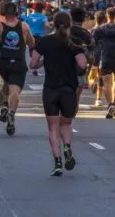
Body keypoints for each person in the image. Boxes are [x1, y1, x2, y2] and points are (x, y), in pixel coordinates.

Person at [31, 11, 89, 176]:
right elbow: (83, 64)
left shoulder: (45, 41)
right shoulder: (73, 43)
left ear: (53, 24)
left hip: (50, 89)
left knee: (53, 127)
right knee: (66, 124)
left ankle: (57, 162)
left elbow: (33, 64)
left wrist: (45, 61)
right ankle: (67, 147)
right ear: (69, 24)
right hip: (68, 89)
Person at [0, 2, 34, 136]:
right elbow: (32, 42)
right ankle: (11, 113)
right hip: (19, 63)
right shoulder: (24, 26)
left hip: (4, 63)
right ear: (16, 12)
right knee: (15, 91)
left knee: (6, 85)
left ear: (3, 12)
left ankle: (4, 107)